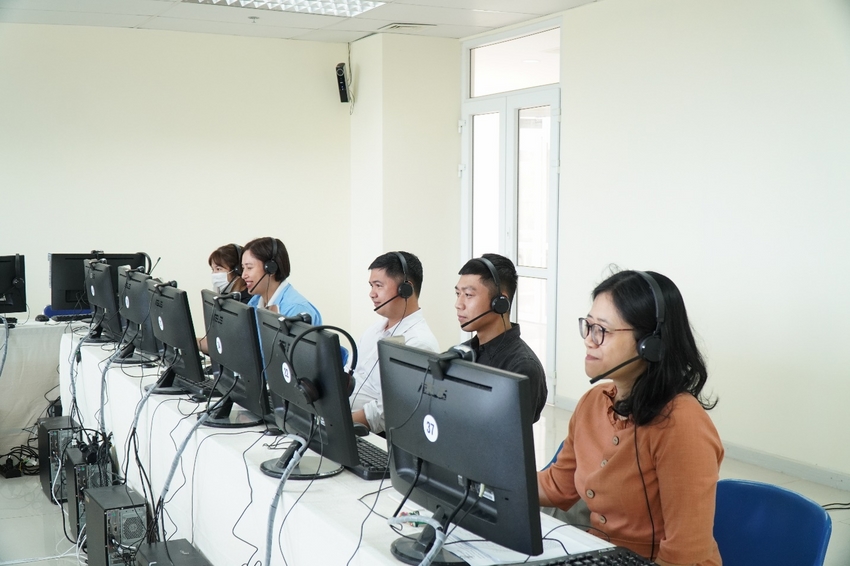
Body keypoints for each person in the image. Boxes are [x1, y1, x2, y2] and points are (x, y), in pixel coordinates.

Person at [538, 270, 723, 566]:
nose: (589, 340)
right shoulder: (592, 403)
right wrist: (486, 480)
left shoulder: (682, 424)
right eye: (588, 326)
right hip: (598, 554)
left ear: (650, 344)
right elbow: (557, 487)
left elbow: (684, 556)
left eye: (602, 330)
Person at [350, 251, 439, 434]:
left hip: (371, 435)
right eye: (371, 285)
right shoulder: (374, 330)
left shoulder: (419, 343)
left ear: (405, 289)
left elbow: (386, 412)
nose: (371, 294)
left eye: (378, 286)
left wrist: (335, 422)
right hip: (340, 420)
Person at [454, 253, 547, 422]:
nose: (458, 304)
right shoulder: (461, 353)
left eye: (468, 295)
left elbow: (507, 435)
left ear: (500, 302)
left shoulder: (522, 368)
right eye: (458, 294)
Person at [240, 237, 322, 324]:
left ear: (271, 269)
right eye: (243, 268)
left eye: (249, 267)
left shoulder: (296, 310)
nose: (243, 275)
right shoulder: (255, 302)